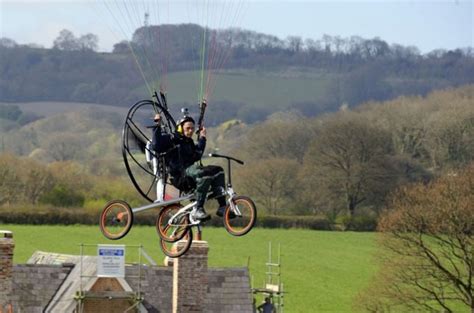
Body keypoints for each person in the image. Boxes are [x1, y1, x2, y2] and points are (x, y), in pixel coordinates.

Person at [151, 111, 227, 220]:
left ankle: (222, 206)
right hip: (180, 176)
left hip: (190, 172)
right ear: (180, 128)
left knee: (218, 171)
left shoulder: (188, 142)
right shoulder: (172, 139)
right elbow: (156, 145)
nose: (191, 131)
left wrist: (202, 138)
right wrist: (157, 124)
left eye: (192, 128)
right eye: (188, 128)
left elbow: (197, 155)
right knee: (203, 174)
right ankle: (198, 208)